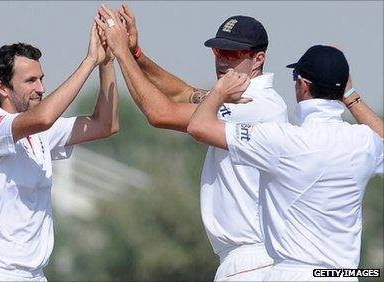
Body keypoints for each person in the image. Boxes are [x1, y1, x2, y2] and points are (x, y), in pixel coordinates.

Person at [96, 4, 288, 280]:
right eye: (217, 51)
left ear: (258, 59)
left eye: (232, 53)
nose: (222, 60)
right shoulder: (235, 96)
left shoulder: (252, 103)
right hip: (249, 258)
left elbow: (160, 113)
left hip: (251, 258)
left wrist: (120, 53)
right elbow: (183, 93)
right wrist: (136, 53)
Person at [187, 45, 383, 281]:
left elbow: (199, 126)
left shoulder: (282, 139)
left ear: (302, 85)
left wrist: (219, 92)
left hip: (291, 272)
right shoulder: (364, 142)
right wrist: (350, 96)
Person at [0, 21, 119, 281]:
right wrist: (89, 61)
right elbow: (44, 117)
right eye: (31, 81)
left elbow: (106, 124)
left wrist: (106, 61)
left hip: (35, 274)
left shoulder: (41, 132)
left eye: (41, 79)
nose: (41, 88)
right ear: (2, 88)